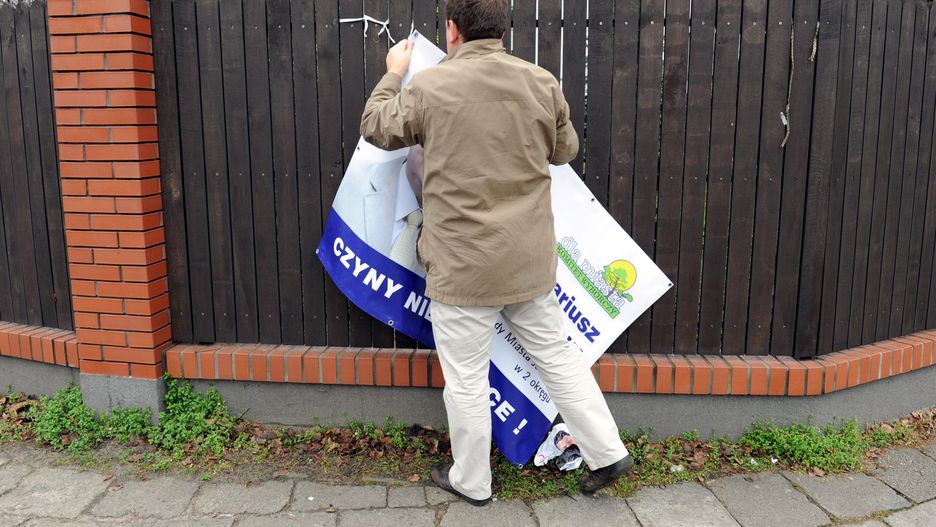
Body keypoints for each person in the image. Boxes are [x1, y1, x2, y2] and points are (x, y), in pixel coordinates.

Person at [360, 0, 633, 506]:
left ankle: (472, 481)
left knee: (466, 379)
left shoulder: (431, 85)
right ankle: (607, 452)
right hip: (526, 263)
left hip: (461, 269)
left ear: (452, 30)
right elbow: (565, 150)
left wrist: (394, 72)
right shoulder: (541, 82)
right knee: (557, 358)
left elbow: (377, 125)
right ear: (501, 30)